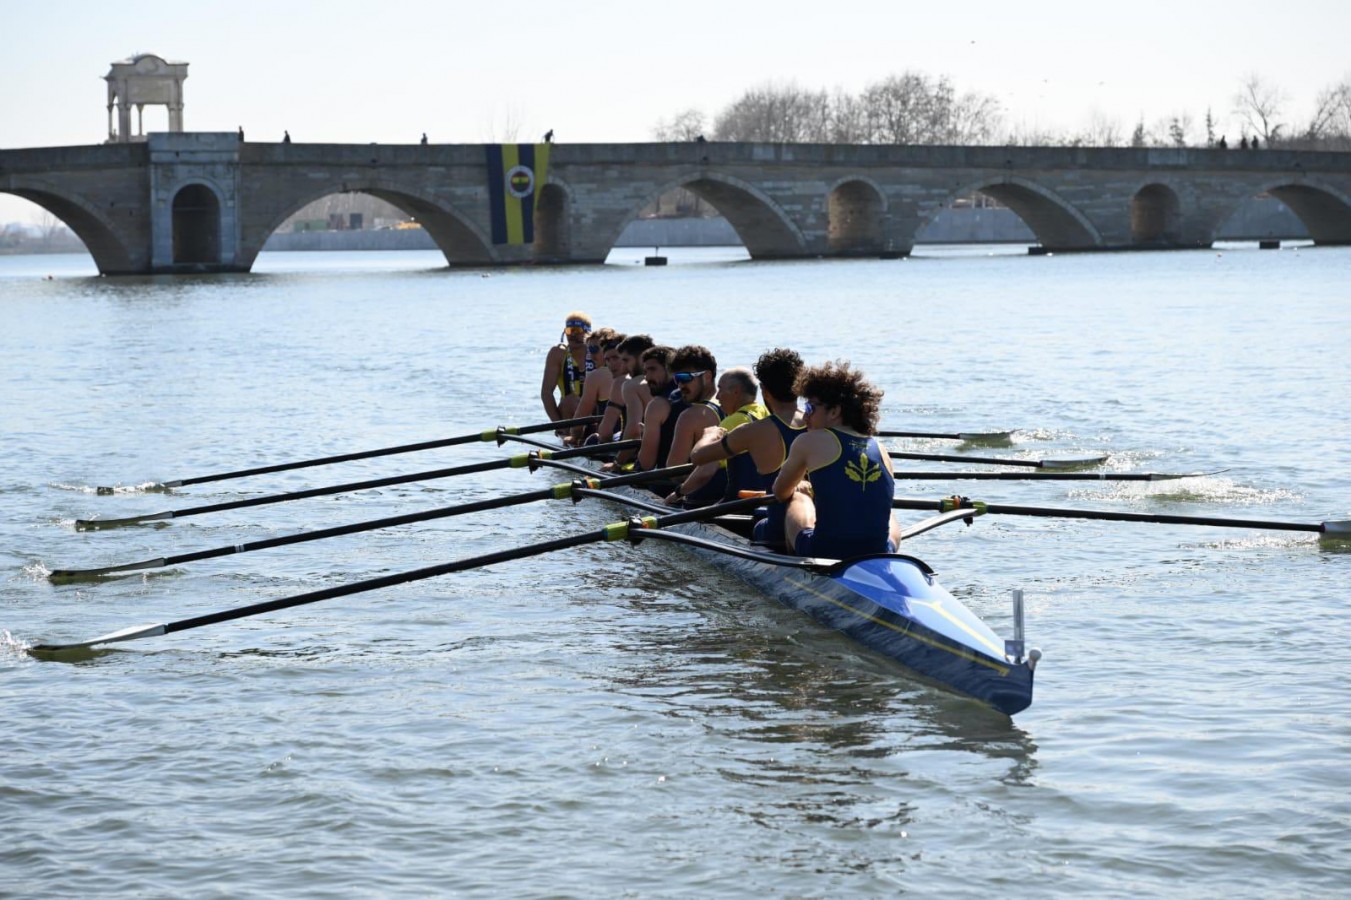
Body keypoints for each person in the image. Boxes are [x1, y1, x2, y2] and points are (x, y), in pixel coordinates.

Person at [772, 360, 902, 559]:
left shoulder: (807, 441)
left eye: (810, 408)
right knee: (889, 514)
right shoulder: (881, 449)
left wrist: (800, 488)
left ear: (834, 412)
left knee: (797, 498)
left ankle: (797, 567)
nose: (805, 416)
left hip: (826, 552)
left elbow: (780, 492)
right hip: (880, 552)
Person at [689, 347, 805, 544]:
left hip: (776, 531)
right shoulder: (818, 425)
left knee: (759, 522)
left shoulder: (753, 431)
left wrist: (709, 435)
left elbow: (698, 456)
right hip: (811, 523)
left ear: (765, 392)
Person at [671, 366, 768, 506]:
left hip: (734, 505)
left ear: (736, 392)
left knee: (685, 499)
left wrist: (678, 493)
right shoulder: (762, 411)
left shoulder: (733, 422)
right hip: (758, 499)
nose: (717, 396)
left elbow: (705, 471)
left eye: (721, 389)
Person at [655, 345, 724, 506]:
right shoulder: (734, 405)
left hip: (700, 499)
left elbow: (674, 472)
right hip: (734, 497)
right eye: (676, 379)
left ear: (707, 376)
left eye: (685, 378)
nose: (680, 385)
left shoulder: (690, 416)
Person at [570, 328, 625, 444]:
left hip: (607, 443)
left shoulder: (596, 376)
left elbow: (580, 419)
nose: (590, 355)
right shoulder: (637, 373)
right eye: (588, 350)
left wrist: (573, 438)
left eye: (594, 349)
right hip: (633, 439)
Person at [633, 345, 680, 474]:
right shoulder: (700, 398)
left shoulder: (658, 405)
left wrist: (646, 436)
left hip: (666, 484)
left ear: (671, 370)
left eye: (652, 370)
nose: (647, 378)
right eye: (645, 372)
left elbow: (646, 464)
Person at [539, 311, 591, 423]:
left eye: (577, 331)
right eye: (569, 331)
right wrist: (557, 424)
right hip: (568, 413)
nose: (572, 335)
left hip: (593, 411)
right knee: (570, 400)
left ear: (588, 332)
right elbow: (546, 392)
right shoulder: (557, 354)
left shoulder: (598, 352)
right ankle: (568, 432)